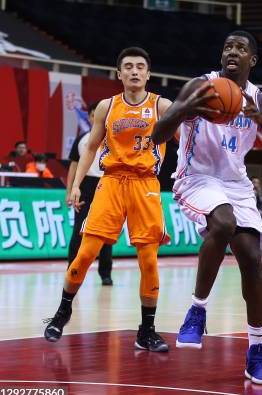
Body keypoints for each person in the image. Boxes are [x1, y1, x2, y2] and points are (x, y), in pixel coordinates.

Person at [152, 30, 262, 384]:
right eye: (228, 46)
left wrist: (259, 121)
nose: (232, 52)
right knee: (224, 223)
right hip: (196, 177)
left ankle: (256, 351)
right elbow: (157, 135)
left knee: (250, 258)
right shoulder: (200, 86)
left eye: (241, 48)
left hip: (236, 183)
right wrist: (184, 109)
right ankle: (197, 311)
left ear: (252, 60)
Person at [43, 47, 179, 352]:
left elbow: (187, 142)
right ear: (119, 74)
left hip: (146, 184)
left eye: (140, 66)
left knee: (148, 260)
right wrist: (76, 185)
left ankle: (146, 330)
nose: (134, 71)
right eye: (128, 66)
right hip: (112, 182)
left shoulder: (162, 106)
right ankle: (63, 311)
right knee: (86, 252)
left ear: (148, 73)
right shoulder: (107, 106)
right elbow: (90, 148)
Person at [66, 101, 113, 286]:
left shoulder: (113, 137)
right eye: (93, 115)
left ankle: (106, 274)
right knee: (79, 230)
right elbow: (74, 166)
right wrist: (70, 190)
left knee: (107, 233)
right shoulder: (83, 140)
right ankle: (72, 269)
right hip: (86, 186)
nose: (96, 118)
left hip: (108, 184)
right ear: (91, 117)